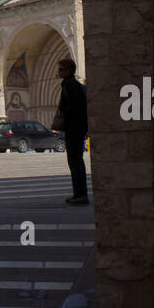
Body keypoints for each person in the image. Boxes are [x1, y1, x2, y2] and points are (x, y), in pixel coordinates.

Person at [54, 57, 89, 204]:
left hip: (74, 128)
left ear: (68, 71)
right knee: (76, 161)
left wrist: (64, 116)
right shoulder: (73, 85)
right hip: (77, 127)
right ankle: (79, 193)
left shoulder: (70, 85)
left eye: (61, 69)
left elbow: (75, 107)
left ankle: (81, 195)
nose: (58, 72)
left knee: (75, 161)